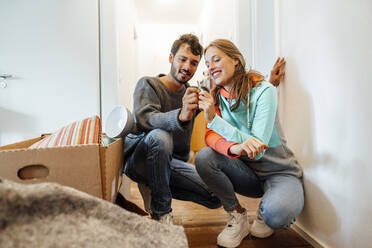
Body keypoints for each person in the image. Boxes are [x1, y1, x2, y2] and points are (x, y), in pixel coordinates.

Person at [123, 34, 286, 225]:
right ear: (171, 58)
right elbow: (144, 119)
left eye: (194, 63)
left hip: (172, 163)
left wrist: (269, 84)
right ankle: (161, 213)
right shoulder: (148, 84)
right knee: (160, 137)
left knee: (215, 194)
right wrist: (180, 116)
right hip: (141, 160)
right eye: (182, 59)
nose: (187, 67)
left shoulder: (193, 94)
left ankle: (154, 183)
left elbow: (231, 100)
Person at [195, 39, 303, 248]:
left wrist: (214, 121)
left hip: (280, 172)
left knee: (277, 216)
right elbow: (211, 136)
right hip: (247, 173)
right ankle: (237, 216)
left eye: (216, 59)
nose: (210, 67)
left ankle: (266, 210)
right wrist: (233, 148)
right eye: (207, 64)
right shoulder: (217, 99)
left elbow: (258, 149)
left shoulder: (264, 90)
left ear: (236, 60)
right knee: (204, 157)